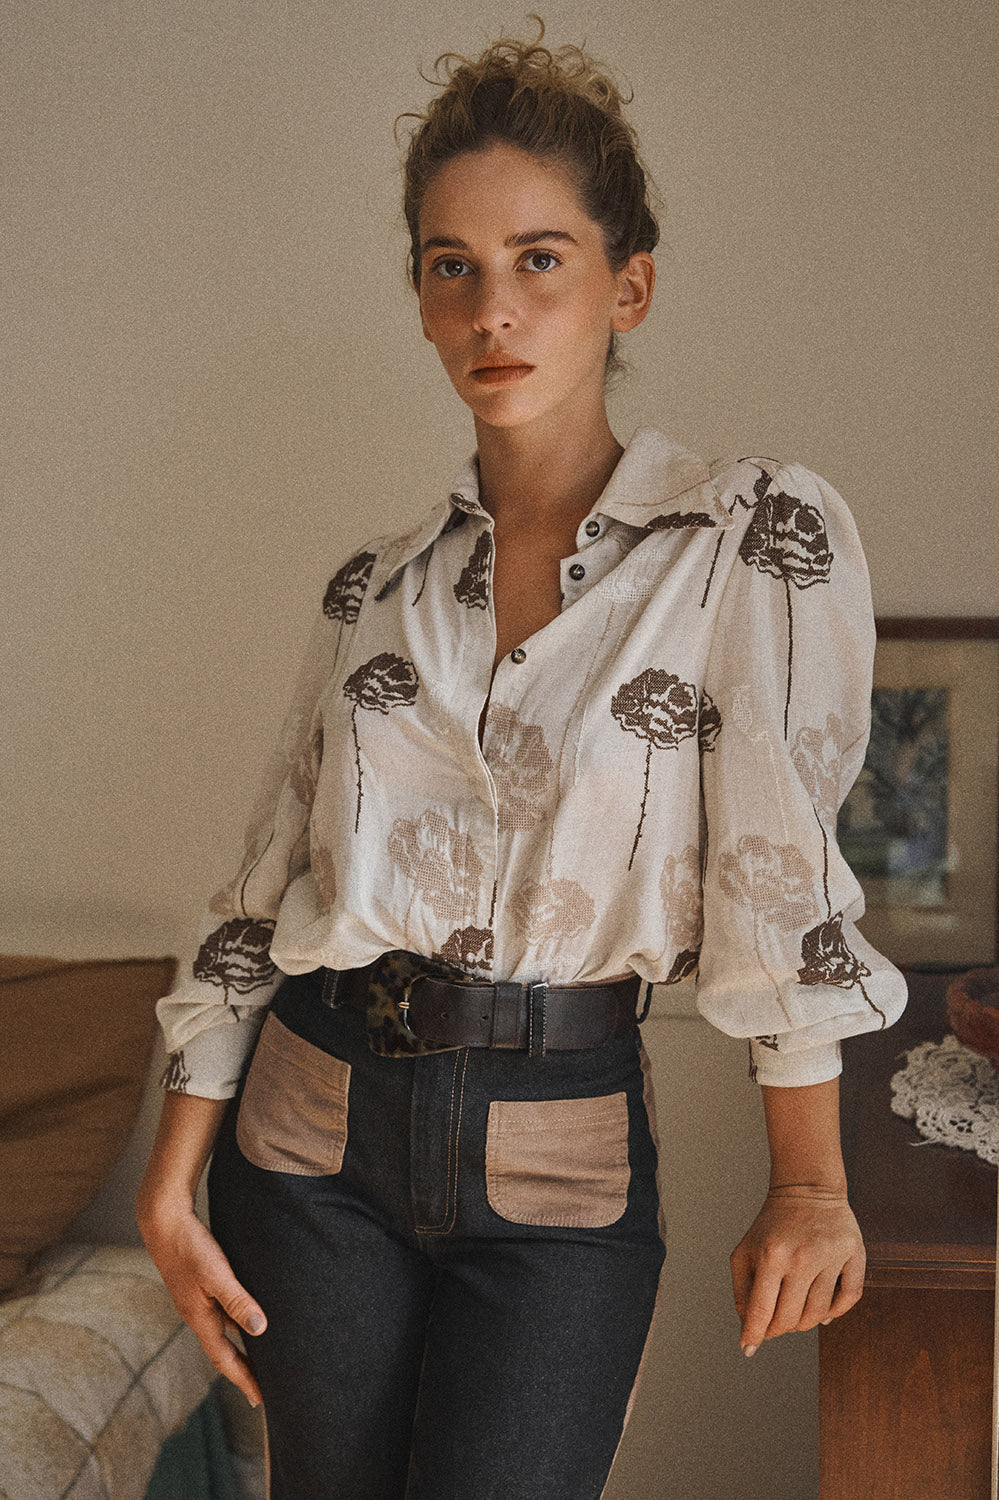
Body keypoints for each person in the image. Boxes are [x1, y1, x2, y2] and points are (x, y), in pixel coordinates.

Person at [137, 20, 908, 1499]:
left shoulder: (742, 542)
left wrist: (811, 1180)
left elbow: (779, 868)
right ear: (424, 302)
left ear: (629, 287)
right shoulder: (375, 587)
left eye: (539, 259)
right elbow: (263, 886)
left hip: (562, 1140)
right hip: (308, 1132)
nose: (493, 308)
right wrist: (171, 1182)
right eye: (453, 267)